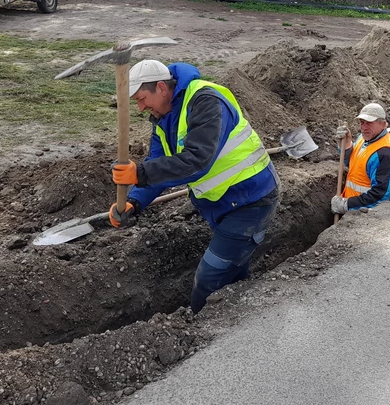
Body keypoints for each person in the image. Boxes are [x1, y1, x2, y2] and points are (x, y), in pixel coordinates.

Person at [109, 59, 280, 314]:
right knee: (233, 268)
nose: (141, 107)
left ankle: (200, 335)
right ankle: (244, 318)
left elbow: (199, 161)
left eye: (142, 98)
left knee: (208, 279)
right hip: (222, 203)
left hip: (250, 201)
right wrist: (134, 202)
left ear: (161, 88)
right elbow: (157, 165)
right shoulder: (163, 119)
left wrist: (140, 174)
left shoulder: (205, 101)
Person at [330, 103, 390, 216]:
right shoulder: (364, 139)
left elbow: (382, 195)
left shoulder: (386, 154)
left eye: (369, 123)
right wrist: (346, 146)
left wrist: (347, 204)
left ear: (383, 124)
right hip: (354, 212)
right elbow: (355, 165)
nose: (364, 127)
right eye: (362, 122)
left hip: (369, 218)